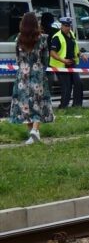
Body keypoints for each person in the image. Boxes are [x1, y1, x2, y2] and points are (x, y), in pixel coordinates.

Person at [8, 12, 55, 144]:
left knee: (24, 104)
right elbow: (46, 59)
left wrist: (23, 67)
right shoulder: (43, 39)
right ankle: (35, 130)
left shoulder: (18, 38)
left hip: (22, 74)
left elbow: (17, 58)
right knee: (39, 102)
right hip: (37, 73)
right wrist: (40, 68)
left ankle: (32, 134)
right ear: (36, 23)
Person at [50, 16, 85, 108]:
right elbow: (52, 53)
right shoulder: (57, 37)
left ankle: (77, 105)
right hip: (60, 65)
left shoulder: (72, 34)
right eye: (65, 26)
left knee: (78, 83)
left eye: (69, 26)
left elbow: (75, 49)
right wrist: (63, 60)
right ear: (61, 26)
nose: (67, 28)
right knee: (67, 85)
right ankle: (63, 106)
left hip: (71, 63)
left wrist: (81, 55)